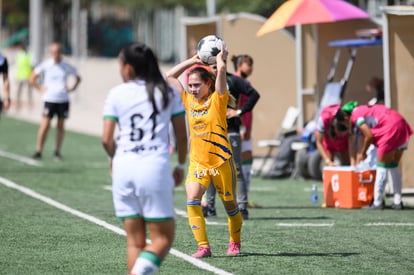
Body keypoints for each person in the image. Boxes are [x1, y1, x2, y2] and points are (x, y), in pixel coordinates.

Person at [102, 42, 188, 275]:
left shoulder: (116, 93)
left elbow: (107, 140)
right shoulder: (168, 91)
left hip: (123, 167)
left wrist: (114, 158)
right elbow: (181, 135)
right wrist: (181, 164)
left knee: (135, 243)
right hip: (153, 168)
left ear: (128, 69)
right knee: (162, 239)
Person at [166, 46, 243, 258]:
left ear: (208, 84)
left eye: (197, 85)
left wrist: (220, 62)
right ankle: (204, 247)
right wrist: (193, 61)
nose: (192, 89)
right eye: (190, 85)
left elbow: (221, 78)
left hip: (221, 162)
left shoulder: (217, 101)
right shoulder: (189, 100)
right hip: (198, 163)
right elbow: (169, 76)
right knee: (192, 199)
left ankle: (235, 242)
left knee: (230, 206)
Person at [203, 55, 260, 220]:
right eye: (212, 66)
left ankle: (242, 207)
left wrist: (239, 112)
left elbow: (254, 94)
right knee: (213, 170)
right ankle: (210, 206)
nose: (215, 69)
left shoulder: (233, 81)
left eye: (218, 65)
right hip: (212, 132)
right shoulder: (205, 82)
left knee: (236, 170)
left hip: (231, 131)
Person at [333, 101, 413, 210]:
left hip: (389, 130)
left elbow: (369, 135)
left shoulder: (356, 116)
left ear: (346, 117)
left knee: (381, 167)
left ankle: (378, 202)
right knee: (393, 166)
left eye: (344, 124)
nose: (347, 126)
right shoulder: (363, 109)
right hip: (402, 125)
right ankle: (397, 201)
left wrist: (362, 152)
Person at [29, 42, 81, 160]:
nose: (55, 54)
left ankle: (57, 151)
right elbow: (32, 78)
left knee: (60, 125)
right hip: (50, 99)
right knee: (45, 124)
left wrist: (72, 88)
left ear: (61, 52)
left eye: (57, 51)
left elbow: (78, 77)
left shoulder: (66, 66)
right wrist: (40, 89)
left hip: (63, 99)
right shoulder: (46, 65)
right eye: (53, 52)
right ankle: (38, 151)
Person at [232, 54, 261, 208]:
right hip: (240, 128)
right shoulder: (236, 82)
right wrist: (242, 126)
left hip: (246, 127)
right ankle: (238, 199)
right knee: (236, 164)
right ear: (239, 65)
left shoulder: (246, 82)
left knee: (247, 158)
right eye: (248, 64)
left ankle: (244, 197)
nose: (250, 68)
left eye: (251, 65)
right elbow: (236, 106)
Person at [15, 42, 34, 109]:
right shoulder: (18, 54)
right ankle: (17, 105)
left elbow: (32, 65)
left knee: (29, 92)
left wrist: (32, 75)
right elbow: (17, 65)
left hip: (28, 75)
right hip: (20, 75)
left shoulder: (29, 54)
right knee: (18, 92)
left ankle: (30, 105)